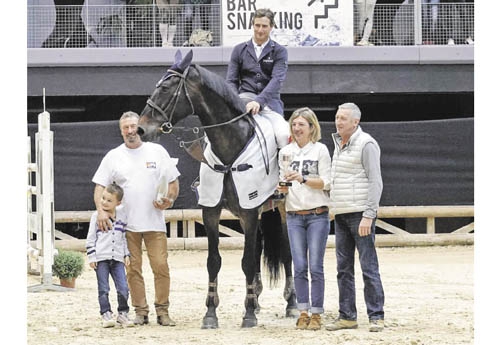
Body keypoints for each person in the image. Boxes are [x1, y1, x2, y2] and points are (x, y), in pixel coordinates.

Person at [92, 111, 181, 326]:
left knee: (160, 266)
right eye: (126, 128)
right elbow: (99, 186)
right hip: (125, 225)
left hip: (154, 222)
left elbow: (173, 183)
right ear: (121, 131)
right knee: (133, 269)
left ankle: (163, 310)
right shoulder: (113, 156)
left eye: (133, 126)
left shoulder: (157, 151)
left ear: (140, 126)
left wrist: (169, 199)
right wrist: (102, 211)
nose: (130, 131)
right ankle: (140, 311)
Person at [325, 103, 385, 333]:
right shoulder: (338, 144)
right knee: (343, 269)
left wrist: (369, 215)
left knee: (368, 266)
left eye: (343, 118)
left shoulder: (367, 144)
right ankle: (347, 316)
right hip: (341, 214)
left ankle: (376, 316)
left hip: (360, 214)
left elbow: (375, 181)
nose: (338, 122)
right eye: (337, 117)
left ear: (355, 122)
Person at [276, 107, 331, 331]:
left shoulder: (320, 150)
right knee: (299, 266)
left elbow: (326, 182)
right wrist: (281, 189)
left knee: (315, 266)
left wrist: (303, 178)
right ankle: (303, 311)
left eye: (301, 124)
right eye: (294, 124)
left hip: (317, 214)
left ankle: (317, 312)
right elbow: (284, 184)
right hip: (294, 215)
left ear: (311, 128)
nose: (297, 128)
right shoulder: (285, 152)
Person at [226, 8, 290, 148]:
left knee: (283, 135)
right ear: (252, 25)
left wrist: (259, 101)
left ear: (271, 27)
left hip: (270, 104)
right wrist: (234, 101)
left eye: (264, 26)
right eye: (257, 25)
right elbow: (231, 80)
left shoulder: (280, 51)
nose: (260, 30)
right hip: (243, 100)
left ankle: (282, 170)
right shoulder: (238, 49)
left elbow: (277, 80)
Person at [86, 182, 134, 328]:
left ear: (118, 202)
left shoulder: (122, 217)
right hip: (101, 258)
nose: (105, 202)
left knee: (123, 287)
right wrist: (92, 256)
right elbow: (91, 237)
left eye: (109, 200)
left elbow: (124, 237)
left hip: (118, 258)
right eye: (103, 198)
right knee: (103, 288)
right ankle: (106, 314)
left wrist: (126, 254)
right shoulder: (96, 216)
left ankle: (123, 313)